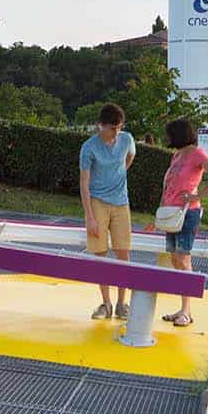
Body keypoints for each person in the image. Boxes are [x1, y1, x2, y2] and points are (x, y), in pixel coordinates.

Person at [158, 117, 208, 328]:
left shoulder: (197, 154)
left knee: (183, 258)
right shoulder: (176, 155)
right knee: (176, 260)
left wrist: (198, 196)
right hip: (171, 212)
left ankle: (186, 310)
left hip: (187, 213)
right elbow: (168, 185)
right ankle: (183, 308)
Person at [78, 103, 137, 321]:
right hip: (98, 201)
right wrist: (90, 217)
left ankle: (123, 303)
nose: (116, 133)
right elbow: (84, 183)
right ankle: (106, 303)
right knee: (100, 254)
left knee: (123, 252)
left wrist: (119, 173)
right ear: (101, 125)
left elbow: (129, 158)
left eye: (119, 128)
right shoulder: (89, 147)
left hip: (121, 201)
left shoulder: (126, 139)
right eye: (112, 128)